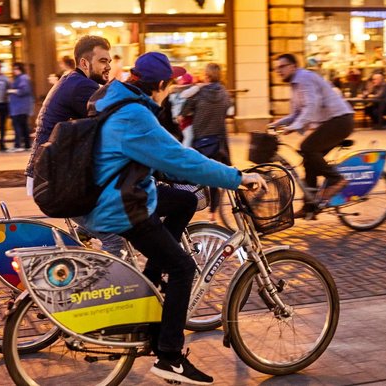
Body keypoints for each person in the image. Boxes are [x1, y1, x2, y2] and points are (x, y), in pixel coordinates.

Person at [83, 51, 266, 385]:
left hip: (120, 194)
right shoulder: (135, 114)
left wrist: (182, 170)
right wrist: (236, 177)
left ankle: (153, 286)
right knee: (183, 267)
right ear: (162, 85)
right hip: (121, 206)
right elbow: (178, 157)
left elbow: (162, 156)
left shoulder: (120, 101)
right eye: (171, 84)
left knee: (181, 203)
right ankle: (169, 357)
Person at [24, 35, 121, 254]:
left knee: (101, 218)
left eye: (109, 61)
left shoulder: (72, 81)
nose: (109, 66)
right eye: (103, 61)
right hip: (56, 182)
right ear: (85, 63)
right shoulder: (82, 87)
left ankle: (79, 255)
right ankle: (110, 285)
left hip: (53, 175)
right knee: (116, 236)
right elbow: (116, 122)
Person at [270, 53, 354, 219]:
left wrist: (294, 127)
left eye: (282, 67)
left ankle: (337, 179)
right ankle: (310, 207)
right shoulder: (295, 85)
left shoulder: (304, 79)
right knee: (309, 160)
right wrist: (274, 124)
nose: (278, 71)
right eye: (276, 68)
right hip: (332, 122)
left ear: (293, 66)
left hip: (340, 120)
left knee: (307, 147)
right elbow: (295, 113)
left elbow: (311, 106)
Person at [181, 63, 232, 223]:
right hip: (218, 140)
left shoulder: (200, 92)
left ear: (207, 75)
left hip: (200, 139)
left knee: (190, 173)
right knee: (214, 176)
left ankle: (185, 204)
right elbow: (228, 111)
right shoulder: (224, 93)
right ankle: (213, 214)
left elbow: (184, 111)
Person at [7, 62, 34, 152]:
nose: (14, 71)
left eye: (16, 69)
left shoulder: (23, 78)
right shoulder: (21, 78)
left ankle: (18, 145)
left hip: (20, 107)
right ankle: (26, 144)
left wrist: (12, 91)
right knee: (23, 126)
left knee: (18, 126)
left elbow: (24, 90)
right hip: (20, 107)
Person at [169, 73, 198, 147]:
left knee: (185, 138)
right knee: (188, 138)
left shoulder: (174, 91)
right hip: (184, 119)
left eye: (181, 80)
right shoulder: (186, 92)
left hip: (179, 119)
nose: (179, 81)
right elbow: (196, 88)